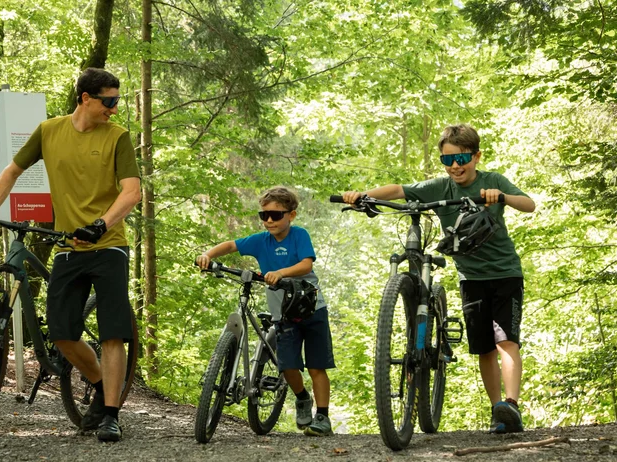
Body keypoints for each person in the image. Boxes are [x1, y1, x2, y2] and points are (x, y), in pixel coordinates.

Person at [0, 68, 141, 442]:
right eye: (108, 102)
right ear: (85, 98)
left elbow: (132, 192)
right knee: (63, 334)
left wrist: (101, 223)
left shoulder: (118, 137)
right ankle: (98, 384)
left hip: (108, 244)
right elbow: (12, 171)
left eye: (117, 101)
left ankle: (111, 414)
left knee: (114, 333)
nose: (114, 109)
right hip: (67, 244)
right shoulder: (49, 131)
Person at [342, 123, 536, 434]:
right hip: (471, 278)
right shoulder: (440, 187)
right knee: (484, 348)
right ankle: (498, 412)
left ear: (476, 157)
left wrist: (501, 196)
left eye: (461, 159)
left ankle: (511, 405)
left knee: (506, 342)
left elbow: (528, 204)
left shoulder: (493, 181)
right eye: (448, 161)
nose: (455, 166)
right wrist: (362, 195)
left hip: (505, 274)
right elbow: (398, 190)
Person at [196, 186, 335, 436]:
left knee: (316, 366)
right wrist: (207, 254)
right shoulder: (261, 241)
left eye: (276, 215)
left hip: (312, 309)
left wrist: (280, 273)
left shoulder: (299, 235)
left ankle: (322, 417)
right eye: (264, 216)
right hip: (283, 314)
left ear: (291, 216)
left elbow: (306, 264)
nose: (269, 220)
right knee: (287, 365)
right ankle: (302, 397)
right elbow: (230, 245)